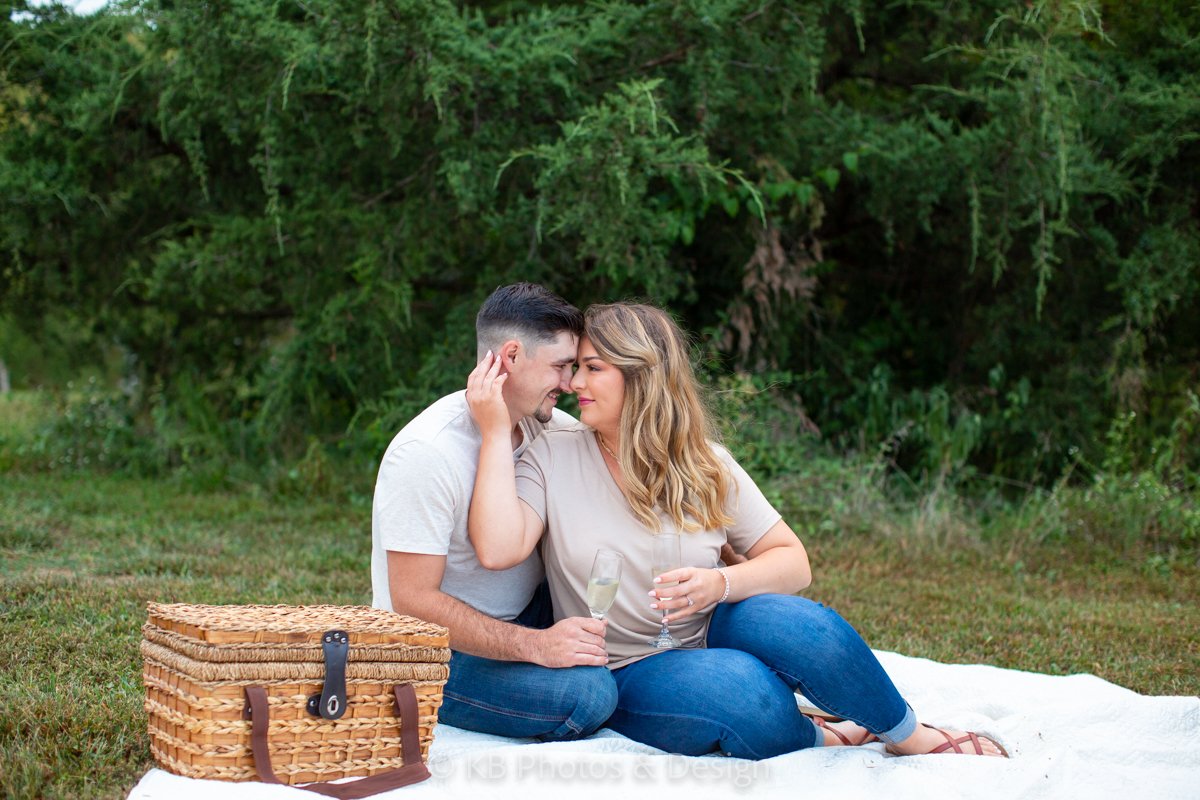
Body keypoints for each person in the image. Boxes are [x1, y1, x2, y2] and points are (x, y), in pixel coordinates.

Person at [465, 301, 1008, 760]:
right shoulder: (553, 455)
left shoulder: (704, 462)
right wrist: (494, 431)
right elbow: (496, 548)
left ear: (642, 375)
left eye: (593, 368)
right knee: (743, 694)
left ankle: (912, 737)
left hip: (712, 625)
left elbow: (794, 562)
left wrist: (718, 586)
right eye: (576, 368)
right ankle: (822, 732)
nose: (574, 382)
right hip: (626, 665)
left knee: (805, 627)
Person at [370, 283, 617, 741]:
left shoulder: (551, 429)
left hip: (531, 612)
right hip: (438, 653)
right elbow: (412, 604)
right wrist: (536, 646)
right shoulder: (427, 452)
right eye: (562, 367)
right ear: (510, 356)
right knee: (589, 694)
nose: (570, 384)